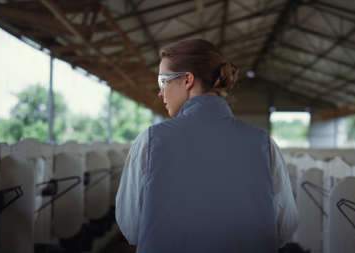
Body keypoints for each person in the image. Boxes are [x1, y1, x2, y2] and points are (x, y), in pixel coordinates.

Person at [115, 39, 298, 253]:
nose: (160, 93)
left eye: (163, 82)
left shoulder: (149, 142)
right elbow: (285, 227)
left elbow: (131, 227)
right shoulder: (265, 145)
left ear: (187, 80)